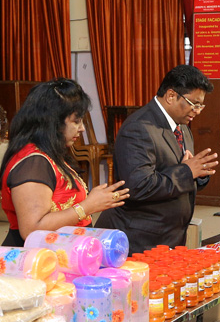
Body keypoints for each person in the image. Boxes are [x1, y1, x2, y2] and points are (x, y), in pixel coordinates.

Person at [96, 64, 217, 254]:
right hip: (140, 239)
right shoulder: (138, 128)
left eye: (201, 105)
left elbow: (179, 173)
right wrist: (187, 171)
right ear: (171, 96)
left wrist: (198, 174)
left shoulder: (182, 126)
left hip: (169, 236)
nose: (198, 111)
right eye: (194, 104)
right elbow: (139, 186)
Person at [0, 78, 128, 246]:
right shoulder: (32, 162)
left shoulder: (48, 154)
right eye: (76, 121)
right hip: (35, 261)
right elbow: (32, 229)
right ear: (53, 120)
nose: (81, 128)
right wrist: (87, 206)